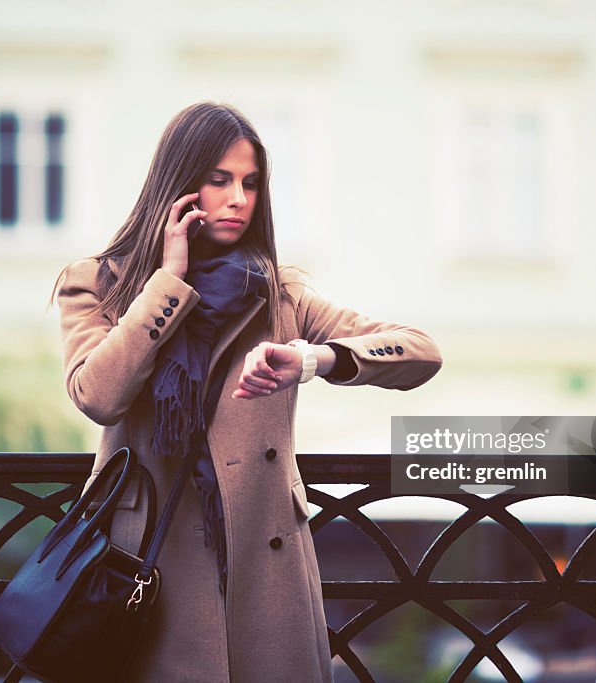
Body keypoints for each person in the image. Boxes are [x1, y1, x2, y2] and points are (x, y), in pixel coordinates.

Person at [51, 101, 442, 682]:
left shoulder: (278, 295)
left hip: (266, 568)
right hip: (148, 570)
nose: (239, 198)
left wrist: (316, 359)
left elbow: (419, 351)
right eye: (220, 180)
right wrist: (168, 282)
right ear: (181, 188)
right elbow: (97, 394)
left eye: (251, 182)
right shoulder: (99, 283)